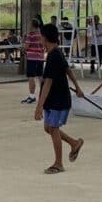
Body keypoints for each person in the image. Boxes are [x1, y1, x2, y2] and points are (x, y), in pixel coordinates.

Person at [34, 23, 85, 174]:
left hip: (58, 99)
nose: (40, 40)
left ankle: (58, 163)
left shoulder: (54, 55)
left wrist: (38, 107)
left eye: (40, 38)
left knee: (53, 128)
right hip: (53, 98)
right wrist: (77, 87)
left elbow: (48, 83)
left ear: (44, 38)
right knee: (48, 128)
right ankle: (74, 143)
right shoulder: (56, 52)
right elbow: (67, 70)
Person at [22, 19, 45, 104]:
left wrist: (23, 49)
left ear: (32, 25)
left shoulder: (30, 35)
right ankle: (43, 95)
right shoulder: (42, 35)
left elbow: (26, 47)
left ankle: (32, 96)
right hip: (41, 58)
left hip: (32, 58)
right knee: (40, 76)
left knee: (31, 77)